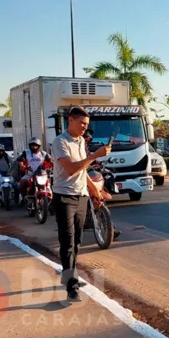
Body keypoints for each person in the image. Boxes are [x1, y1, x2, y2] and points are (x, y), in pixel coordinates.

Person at [52, 107, 110, 302]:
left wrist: (95, 191)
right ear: (71, 120)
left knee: (76, 241)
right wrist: (94, 155)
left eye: (86, 124)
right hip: (65, 196)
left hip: (81, 196)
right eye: (82, 123)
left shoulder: (80, 143)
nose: (85, 127)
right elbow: (70, 169)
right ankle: (71, 286)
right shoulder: (60, 142)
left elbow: (82, 171)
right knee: (67, 241)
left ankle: (70, 275)